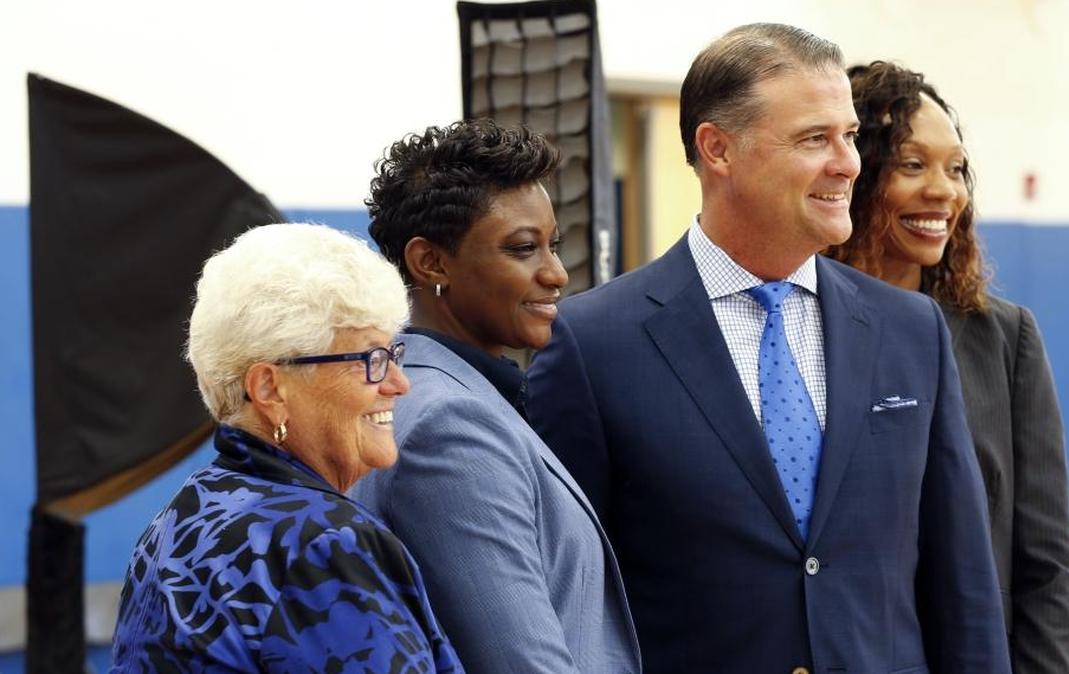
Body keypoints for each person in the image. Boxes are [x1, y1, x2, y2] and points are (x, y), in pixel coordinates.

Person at [527, 23, 1010, 673]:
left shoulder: (910, 330)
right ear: (718, 149)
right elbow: (567, 594)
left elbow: (964, 585)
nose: (847, 164)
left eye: (849, 137)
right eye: (815, 139)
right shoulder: (592, 344)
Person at [350, 120, 641, 674]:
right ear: (430, 263)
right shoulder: (449, 426)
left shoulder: (415, 389)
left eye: (552, 245)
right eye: (523, 249)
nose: (555, 273)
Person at [109, 224, 463, 673]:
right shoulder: (323, 544)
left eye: (394, 354)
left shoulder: (180, 518)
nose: (399, 383)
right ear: (270, 389)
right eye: (371, 361)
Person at [824, 60, 1069, 673]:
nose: (945, 190)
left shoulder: (1004, 337)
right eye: (913, 165)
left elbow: (1045, 566)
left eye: (957, 167)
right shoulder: (795, 328)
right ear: (854, 177)